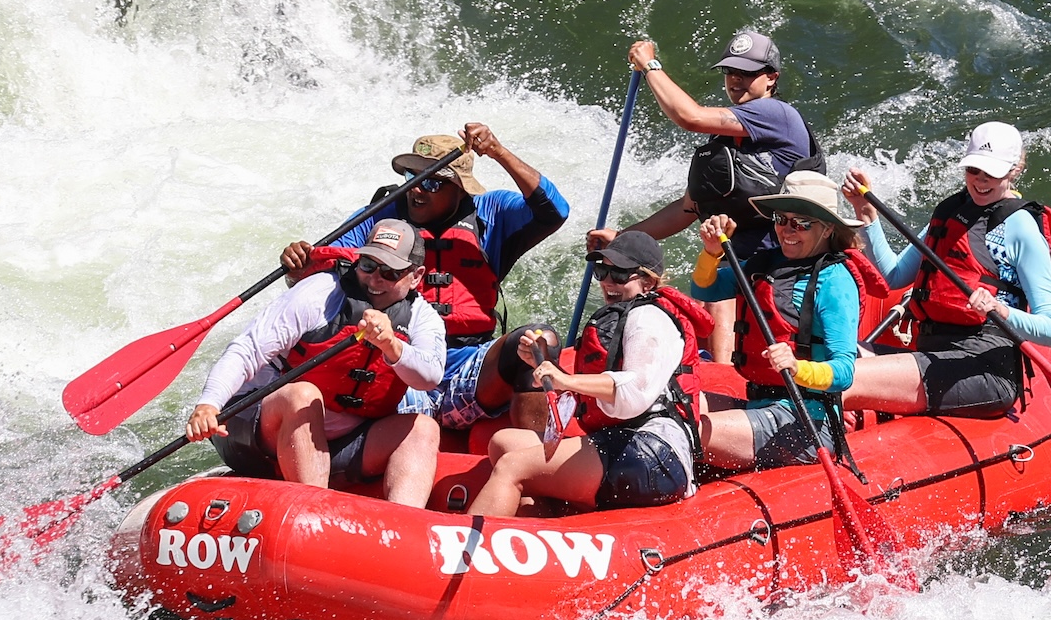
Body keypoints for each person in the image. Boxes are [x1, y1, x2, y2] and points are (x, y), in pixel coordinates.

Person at [283, 124, 570, 433]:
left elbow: (555, 210)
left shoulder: (492, 212)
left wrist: (498, 153)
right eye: (412, 178)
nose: (417, 190)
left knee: (539, 340)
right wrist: (298, 266)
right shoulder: (380, 216)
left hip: (469, 367)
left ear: (460, 188)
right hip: (398, 369)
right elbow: (319, 273)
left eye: (432, 183)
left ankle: (538, 459)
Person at [590, 31, 822, 362]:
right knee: (719, 267)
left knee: (726, 271)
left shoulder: (776, 114)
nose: (735, 80)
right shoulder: (727, 135)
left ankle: (724, 374)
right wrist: (624, 238)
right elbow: (688, 208)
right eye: (730, 72)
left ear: (772, 77)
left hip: (785, 269)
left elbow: (691, 117)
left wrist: (649, 65)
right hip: (740, 268)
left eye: (747, 73)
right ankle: (721, 367)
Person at [186, 220, 447, 507]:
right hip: (258, 433)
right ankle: (314, 513)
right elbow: (247, 349)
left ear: (415, 276)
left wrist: (392, 345)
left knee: (424, 427)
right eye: (368, 265)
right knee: (303, 395)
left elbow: (429, 377)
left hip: (338, 446)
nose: (375, 279)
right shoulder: (320, 292)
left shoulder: (423, 318)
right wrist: (209, 404)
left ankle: (402, 528)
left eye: (389, 272)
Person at [469, 233, 711, 517]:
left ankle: (460, 557)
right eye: (602, 270)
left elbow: (634, 392)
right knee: (504, 443)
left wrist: (566, 380)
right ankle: (549, 530)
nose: (608, 281)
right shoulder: (624, 315)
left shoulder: (650, 319)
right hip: (625, 441)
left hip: (657, 456)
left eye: (620, 274)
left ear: (648, 281)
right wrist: (543, 365)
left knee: (512, 467)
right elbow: (595, 392)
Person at [839, 121, 1051, 417]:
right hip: (932, 353)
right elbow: (893, 275)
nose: (980, 180)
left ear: (1014, 170)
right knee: (823, 360)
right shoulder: (953, 212)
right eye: (974, 170)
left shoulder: (1020, 227)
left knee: (842, 378)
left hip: (984, 368)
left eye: (992, 173)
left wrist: (1000, 310)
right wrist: (866, 214)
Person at [690, 171, 888, 471]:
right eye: (781, 220)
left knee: (691, 433)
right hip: (760, 404)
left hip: (807, 422)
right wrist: (711, 252)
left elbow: (845, 372)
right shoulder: (766, 264)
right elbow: (705, 288)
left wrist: (798, 368)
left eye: (801, 223)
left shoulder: (835, 281)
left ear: (826, 229)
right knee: (679, 410)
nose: (787, 230)